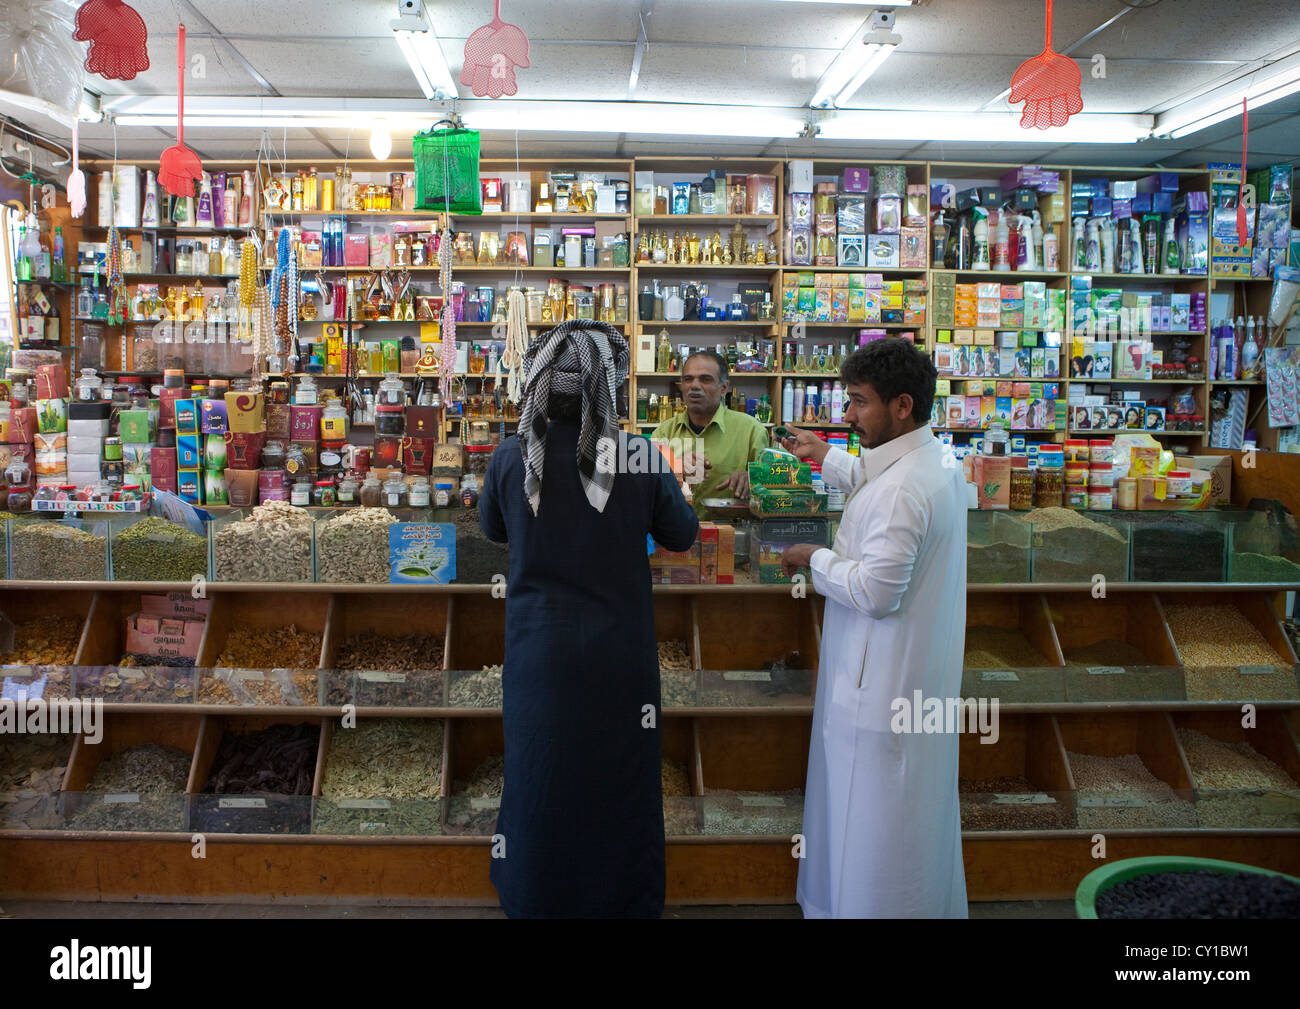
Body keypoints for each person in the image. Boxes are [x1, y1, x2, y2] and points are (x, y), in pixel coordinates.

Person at [478, 319, 699, 918]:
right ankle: (622, 899)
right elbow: (682, 535)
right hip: (619, 662)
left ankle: (536, 897)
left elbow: (492, 529)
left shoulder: (509, 457)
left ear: (540, 386)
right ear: (612, 385)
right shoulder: (637, 454)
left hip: (538, 660)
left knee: (538, 778)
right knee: (619, 786)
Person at [778, 338, 967, 918]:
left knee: (874, 828)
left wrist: (813, 557)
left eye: (859, 403)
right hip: (909, 685)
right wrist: (822, 453)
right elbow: (870, 473)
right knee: (906, 822)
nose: (848, 415)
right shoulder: (933, 460)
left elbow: (877, 592)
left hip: (880, 692)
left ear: (902, 405)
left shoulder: (907, 490)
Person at [649, 350, 770, 511]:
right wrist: (677, 471)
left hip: (731, 531)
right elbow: (648, 488)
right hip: (674, 532)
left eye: (705, 379)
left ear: (723, 388)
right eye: (688, 379)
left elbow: (773, 491)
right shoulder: (664, 433)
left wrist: (753, 480)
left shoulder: (751, 431)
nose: (695, 386)